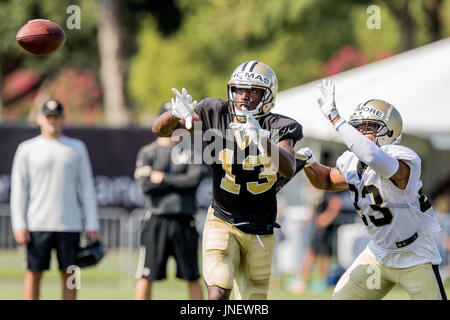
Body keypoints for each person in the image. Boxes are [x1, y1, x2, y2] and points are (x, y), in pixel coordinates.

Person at [152, 61, 304, 300]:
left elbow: (288, 167)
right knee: (217, 294)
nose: (244, 96)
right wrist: (174, 114)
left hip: (260, 229)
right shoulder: (215, 112)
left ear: (268, 95)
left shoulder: (280, 126)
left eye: (254, 90)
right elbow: (161, 131)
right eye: (239, 89)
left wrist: (261, 140)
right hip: (222, 219)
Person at [296, 79, 447, 300]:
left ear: (390, 131)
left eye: (370, 127)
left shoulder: (404, 157)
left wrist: (337, 120)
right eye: (358, 126)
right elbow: (327, 180)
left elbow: (373, 156)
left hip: (415, 254)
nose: (360, 132)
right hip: (379, 254)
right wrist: (309, 163)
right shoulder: (350, 160)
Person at [10, 99, 99, 300]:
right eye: (49, 117)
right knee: (34, 273)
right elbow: (18, 190)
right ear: (40, 119)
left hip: (70, 224)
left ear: (63, 119)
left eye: (56, 117)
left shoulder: (76, 147)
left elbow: (87, 188)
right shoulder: (27, 148)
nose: (52, 121)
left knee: (71, 275)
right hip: (37, 223)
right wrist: (19, 224)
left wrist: (92, 224)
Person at [134, 102, 204, 300]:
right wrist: (177, 182)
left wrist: (162, 178)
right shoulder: (148, 152)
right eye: (170, 120)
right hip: (157, 219)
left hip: (184, 220)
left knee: (192, 275)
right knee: (146, 275)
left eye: (178, 121)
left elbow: (192, 181)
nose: (174, 125)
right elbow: (146, 186)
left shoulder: (192, 151)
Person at [286, 190, 343, 294]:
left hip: (325, 229)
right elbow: (316, 210)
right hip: (318, 227)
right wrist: (308, 219)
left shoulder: (329, 191)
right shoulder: (319, 192)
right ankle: (306, 279)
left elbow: (336, 204)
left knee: (320, 254)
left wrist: (326, 218)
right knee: (313, 252)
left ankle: (316, 281)